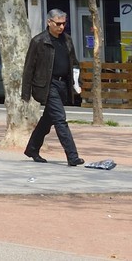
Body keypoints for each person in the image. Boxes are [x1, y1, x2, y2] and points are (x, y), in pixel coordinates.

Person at [22, 10, 84, 165]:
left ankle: (32, 149)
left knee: (48, 119)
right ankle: (72, 156)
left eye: (64, 23)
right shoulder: (39, 41)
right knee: (60, 119)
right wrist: (25, 94)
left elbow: (74, 63)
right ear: (49, 22)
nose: (61, 27)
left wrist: (77, 83)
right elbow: (29, 68)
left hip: (63, 85)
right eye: (58, 23)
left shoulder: (67, 40)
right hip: (47, 85)